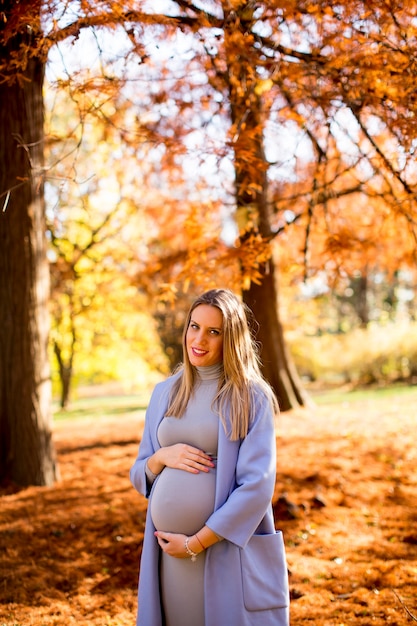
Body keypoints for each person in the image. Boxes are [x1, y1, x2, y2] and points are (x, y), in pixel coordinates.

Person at [130, 288, 290, 626]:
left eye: (213, 331)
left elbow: (257, 486)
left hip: (222, 550)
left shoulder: (251, 396)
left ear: (230, 338)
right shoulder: (164, 393)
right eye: (194, 326)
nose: (198, 339)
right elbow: (139, 471)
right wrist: (162, 458)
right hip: (168, 555)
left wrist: (196, 542)